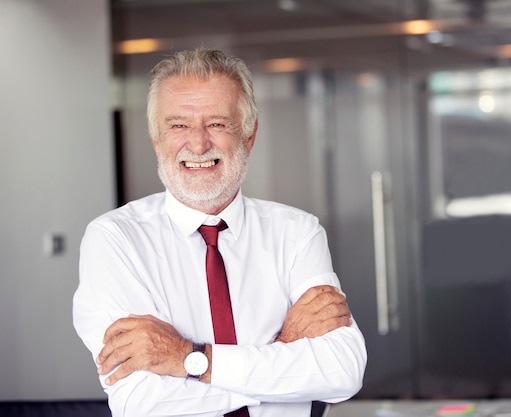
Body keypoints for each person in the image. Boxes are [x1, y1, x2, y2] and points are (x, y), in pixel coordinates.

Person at [72, 47, 367, 417]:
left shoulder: (297, 232)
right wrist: (284, 349)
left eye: (217, 123)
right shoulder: (114, 240)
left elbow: (343, 371)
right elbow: (141, 400)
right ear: (156, 140)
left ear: (248, 135)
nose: (197, 143)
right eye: (178, 125)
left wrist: (188, 359)